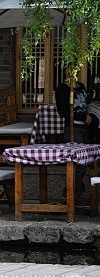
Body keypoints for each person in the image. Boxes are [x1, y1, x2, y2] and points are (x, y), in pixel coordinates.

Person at [55, 71, 99, 199]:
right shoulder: (62, 89)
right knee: (78, 162)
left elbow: (87, 104)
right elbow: (63, 111)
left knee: (85, 161)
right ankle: (69, 193)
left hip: (86, 128)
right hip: (73, 128)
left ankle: (75, 192)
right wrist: (82, 116)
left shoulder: (81, 86)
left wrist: (90, 116)